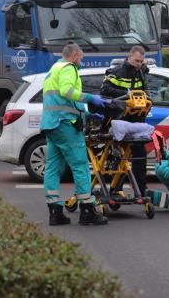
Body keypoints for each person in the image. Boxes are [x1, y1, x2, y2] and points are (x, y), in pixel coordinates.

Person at [41, 42, 110, 226]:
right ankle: (87, 210)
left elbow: (62, 100)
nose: (82, 61)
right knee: (80, 165)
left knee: (53, 167)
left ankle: (55, 211)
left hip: (52, 125)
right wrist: (90, 98)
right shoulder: (69, 68)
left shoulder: (53, 69)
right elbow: (67, 92)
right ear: (74, 56)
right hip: (65, 125)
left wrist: (87, 113)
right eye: (81, 58)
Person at [100, 45, 150, 197]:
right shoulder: (116, 72)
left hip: (137, 119)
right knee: (120, 157)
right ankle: (116, 189)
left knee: (140, 157)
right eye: (136, 61)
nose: (139, 64)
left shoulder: (141, 73)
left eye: (141, 61)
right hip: (121, 119)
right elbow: (105, 90)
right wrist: (127, 94)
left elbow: (145, 92)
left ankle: (141, 190)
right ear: (129, 57)